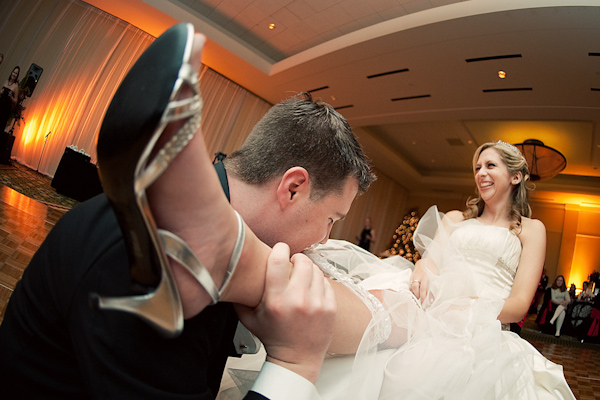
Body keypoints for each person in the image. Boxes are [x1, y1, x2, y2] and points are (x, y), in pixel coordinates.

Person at [0, 23, 375, 399]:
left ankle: (232, 254)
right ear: (292, 188)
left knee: (378, 310)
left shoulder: (178, 243)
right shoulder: (149, 257)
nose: (325, 238)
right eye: (331, 219)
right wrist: (296, 364)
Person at [303, 141, 574, 398]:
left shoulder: (531, 229)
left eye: (490, 166)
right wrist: (421, 267)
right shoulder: (456, 218)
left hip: (479, 325)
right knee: (379, 308)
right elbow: (430, 262)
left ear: (515, 177)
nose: (481, 173)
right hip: (433, 307)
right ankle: (303, 316)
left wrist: (467, 306)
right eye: (477, 168)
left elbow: (519, 305)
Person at [0, 65, 19, 133]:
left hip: (5, 110)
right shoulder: (5, 82)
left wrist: (11, 97)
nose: (14, 74)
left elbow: (15, 101)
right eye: (13, 72)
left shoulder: (15, 86)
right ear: (11, 73)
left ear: (17, 76)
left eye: (16, 73)